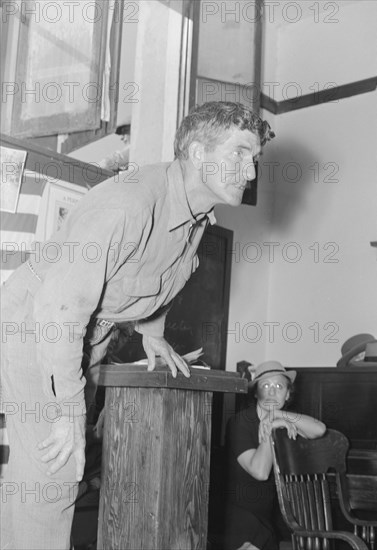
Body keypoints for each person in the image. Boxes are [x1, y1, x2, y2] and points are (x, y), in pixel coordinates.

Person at [0, 101, 274, 550]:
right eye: (240, 153)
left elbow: (159, 274)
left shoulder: (196, 215)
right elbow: (59, 308)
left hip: (88, 335)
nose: (249, 170)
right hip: (40, 326)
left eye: (255, 159)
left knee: (38, 477)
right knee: (55, 475)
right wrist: (69, 408)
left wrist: (153, 332)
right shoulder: (128, 203)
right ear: (198, 153)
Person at [224, 361, 326, 550]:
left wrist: (276, 415)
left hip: (271, 519)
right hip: (239, 518)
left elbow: (319, 429)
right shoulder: (240, 422)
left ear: (287, 394)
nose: (272, 392)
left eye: (279, 386)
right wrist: (270, 428)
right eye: (265, 386)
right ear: (256, 392)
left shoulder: (283, 419)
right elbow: (260, 472)